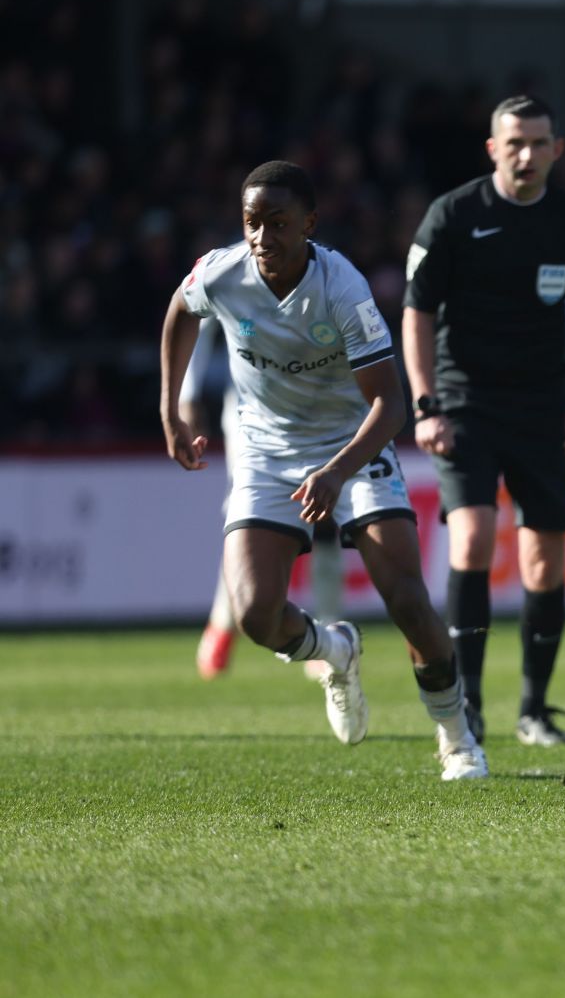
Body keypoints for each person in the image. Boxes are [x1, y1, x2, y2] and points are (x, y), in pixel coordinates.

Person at [159, 161, 486, 780]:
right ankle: (333, 650)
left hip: (352, 447)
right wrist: (171, 411)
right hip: (265, 452)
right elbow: (180, 310)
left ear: (308, 224)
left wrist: (336, 472)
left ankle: (457, 736)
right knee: (256, 613)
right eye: (253, 223)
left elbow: (391, 405)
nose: (262, 237)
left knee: (410, 603)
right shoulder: (223, 271)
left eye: (278, 224)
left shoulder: (343, 288)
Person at [403, 95, 565, 748]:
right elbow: (417, 313)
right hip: (465, 403)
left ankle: (534, 709)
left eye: (539, 142)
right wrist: (424, 403)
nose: (526, 154)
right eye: (514, 143)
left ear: (558, 148)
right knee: (470, 541)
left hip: (545, 408)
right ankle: (465, 707)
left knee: (544, 563)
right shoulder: (453, 215)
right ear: (493, 149)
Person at [183, 316, 346, 680]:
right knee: (247, 515)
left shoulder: (324, 267)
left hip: (314, 407)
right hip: (249, 412)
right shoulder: (232, 265)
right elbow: (193, 316)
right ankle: (222, 621)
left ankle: (328, 627)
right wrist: (187, 394)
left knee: (324, 512)